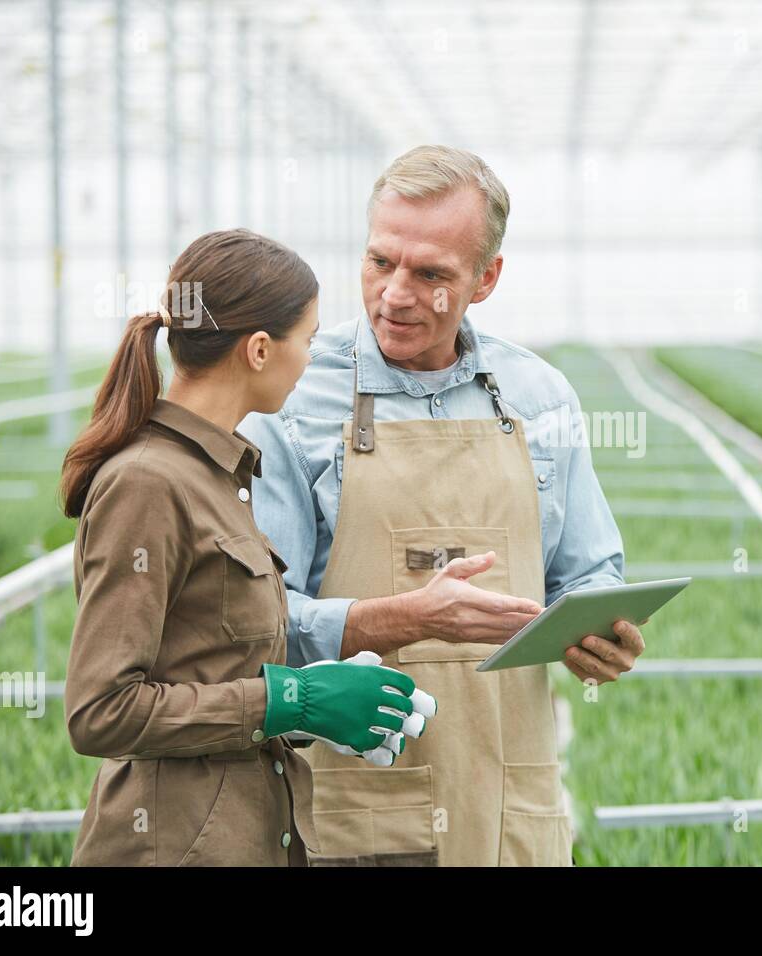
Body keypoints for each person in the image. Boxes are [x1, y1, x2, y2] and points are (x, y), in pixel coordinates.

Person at [241, 145, 644, 867]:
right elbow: (256, 625)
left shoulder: (540, 397)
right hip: (357, 808)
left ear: (486, 278)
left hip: (509, 803)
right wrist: (405, 618)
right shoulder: (294, 397)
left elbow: (591, 569)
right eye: (379, 262)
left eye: (431, 274)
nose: (396, 293)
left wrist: (598, 627)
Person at [59, 229, 429, 866]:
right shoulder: (147, 482)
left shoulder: (218, 475)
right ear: (259, 350)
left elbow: (207, 661)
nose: (311, 360)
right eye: (307, 342)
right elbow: (102, 710)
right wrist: (289, 700)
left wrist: (314, 698)